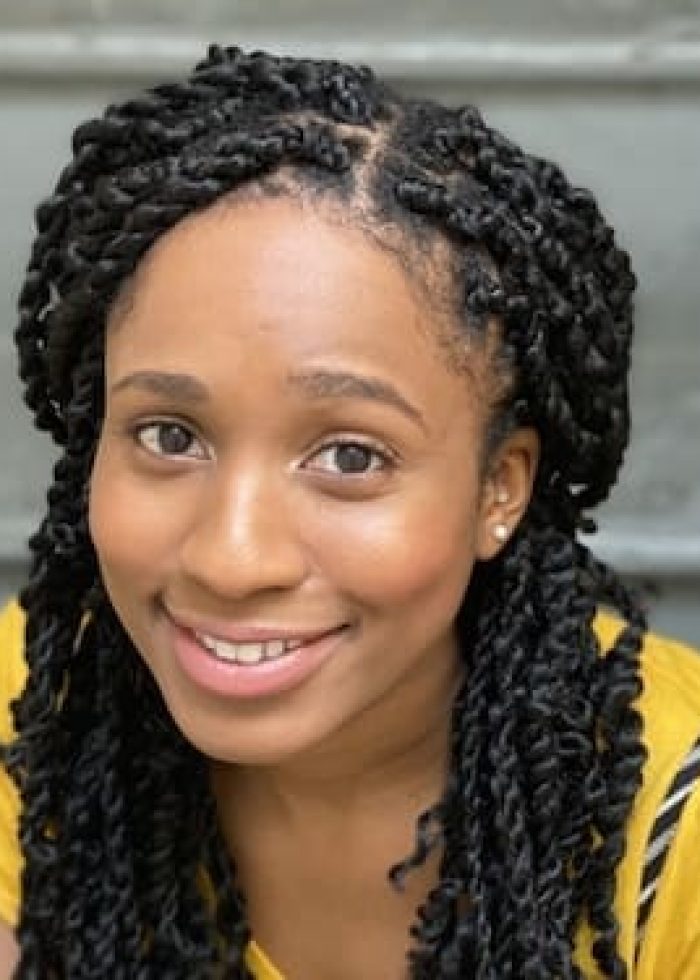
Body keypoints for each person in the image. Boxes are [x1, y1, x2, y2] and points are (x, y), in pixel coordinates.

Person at [0, 43, 698, 980]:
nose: (231, 558)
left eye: (349, 457)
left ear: (503, 486)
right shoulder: (35, 715)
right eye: (170, 435)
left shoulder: (675, 836)